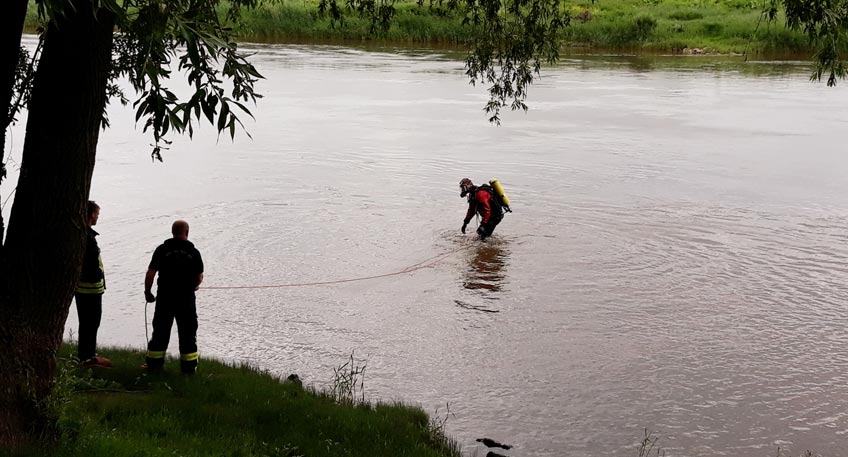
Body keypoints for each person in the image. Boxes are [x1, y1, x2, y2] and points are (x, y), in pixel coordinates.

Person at [144, 220, 204, 374]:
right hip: (186, 300)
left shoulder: (162, 250)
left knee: (160, 332)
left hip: (165, 298)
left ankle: (154, 366)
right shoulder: (193, 252)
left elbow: (150, 274)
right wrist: (195, 286)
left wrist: (148, 292)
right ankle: (189, 369)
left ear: (172, 232)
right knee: (188, 333)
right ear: (187, 232)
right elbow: (199, 277)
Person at [74, 200, 112, 368]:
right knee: (92, 322)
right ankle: (88, 358)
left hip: (81, 289)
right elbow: (91, 264)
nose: (97, 217)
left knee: (86, 323)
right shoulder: (88, 238)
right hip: (91, 289)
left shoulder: (79, 234)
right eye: (96, 214)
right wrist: (97, 277)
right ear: (90, 215)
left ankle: (86, 355)